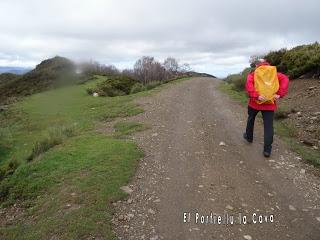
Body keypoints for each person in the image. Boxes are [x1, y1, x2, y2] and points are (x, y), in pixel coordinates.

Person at [243, 59, 289, 157]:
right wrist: (280, 94)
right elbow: (285, 79)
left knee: (251, 119)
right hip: (270, 104)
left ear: (256, 65)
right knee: (268, 126)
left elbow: (249, 84)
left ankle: (249, 137)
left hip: (254, 103)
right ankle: (267, 150)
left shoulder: (254, 73)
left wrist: (255, 95)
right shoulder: (273, 73)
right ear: (267, 64)